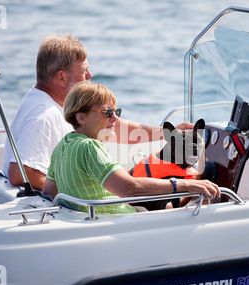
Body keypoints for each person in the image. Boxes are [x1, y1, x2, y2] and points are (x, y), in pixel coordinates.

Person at [3, 33, 193, 191]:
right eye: (84, 71)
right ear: (61, 77)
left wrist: (168, 132)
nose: (90, 76)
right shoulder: (45, 114)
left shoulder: (52, 102)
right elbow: (20, 173)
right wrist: (82, 191)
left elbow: (114, 127)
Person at [42, 81, 220, 214]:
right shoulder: (90, 147)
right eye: (108, 113)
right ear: (81, 118)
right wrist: (187, 184)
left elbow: (49, 193)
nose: (115, 119)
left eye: (116, 112)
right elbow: (128, 189)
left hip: (92, 220)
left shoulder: (63, 146)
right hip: (115, 222)